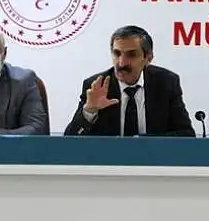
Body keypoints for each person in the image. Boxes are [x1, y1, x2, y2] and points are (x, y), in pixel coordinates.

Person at [64, 25, 195, 137]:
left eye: (131, 55)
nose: (121, 63)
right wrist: (89, 111)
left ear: (148, 58)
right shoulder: (96, 86)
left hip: (152, 158)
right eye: (117, 53)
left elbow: (186, 134)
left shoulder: (166, 83)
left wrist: (143, 144)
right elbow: (70, 141)